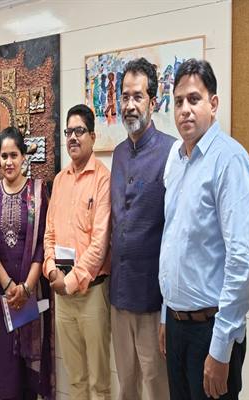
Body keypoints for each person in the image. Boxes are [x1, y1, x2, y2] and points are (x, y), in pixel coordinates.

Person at [159, 59, 249, 400]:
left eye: (194, 99)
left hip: (211, 330)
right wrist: (166, 315)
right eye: (178, 101)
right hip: (177, 326)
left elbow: (241, 262)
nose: (185, 110)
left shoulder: (229, 161)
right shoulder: (175, 159)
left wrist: (221, 348)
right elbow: (172, 241)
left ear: (213, 104)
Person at [110, 57, 175, 400]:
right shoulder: (119, 154)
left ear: (153, 101)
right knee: (127, 385)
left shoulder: (172, 152)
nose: (130, 105)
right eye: (125, 96)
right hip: (119, 296)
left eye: (138, 96)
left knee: (156, 385)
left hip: (152, 299)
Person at [43, 104, 112, 400]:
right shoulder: (59, 181)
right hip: (62, 295)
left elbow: (100, 244)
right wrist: (51, 271)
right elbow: (49, 234)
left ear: (93, 137)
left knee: (99, 383)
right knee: (75, 380)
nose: (72, 137)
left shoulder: (103, 179)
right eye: (68, 131)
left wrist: (69, 282)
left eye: (79, 131)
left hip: (92, 293)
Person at [0, 127, 55, 400]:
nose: (8, 162)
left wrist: (25, 287)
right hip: (3, 298)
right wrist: (8, 285)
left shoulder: (38, 192)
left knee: (31, 373)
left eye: (14, 155)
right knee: (7, 370)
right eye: (4, 156)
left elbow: (42, 244)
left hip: (32, 294)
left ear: (24, 157)